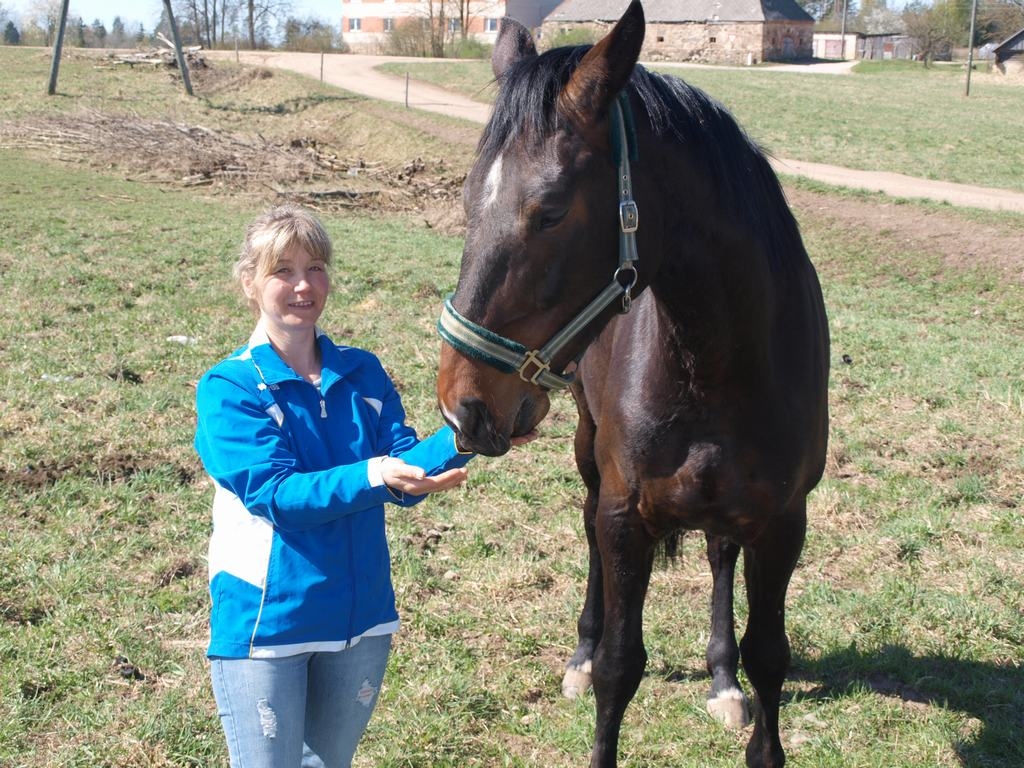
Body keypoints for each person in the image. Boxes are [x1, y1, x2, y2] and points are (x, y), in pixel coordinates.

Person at [194, 205, 527, 767]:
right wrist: (376, 474)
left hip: (362, 620)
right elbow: (278, 497)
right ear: (249, 283)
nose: (304, 285)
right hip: (267, 625)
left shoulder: (361, 372)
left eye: (317, 267)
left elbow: (405, 467)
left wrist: (471, 436)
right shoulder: (229, 388)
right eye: (283, 270)